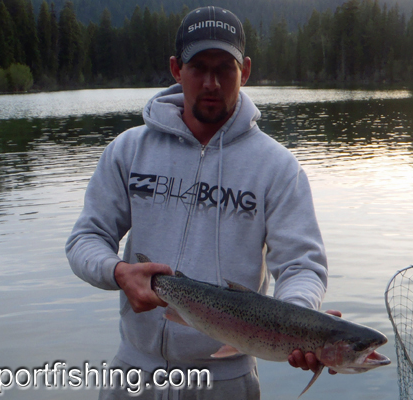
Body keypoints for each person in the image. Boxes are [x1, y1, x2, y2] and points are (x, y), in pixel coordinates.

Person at [66, 6, 336, 399]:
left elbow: (302, 265)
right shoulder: (129, 150)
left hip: (226, 382)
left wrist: (297, 320)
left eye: (224, 69)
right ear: (177, 69)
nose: (211, 82)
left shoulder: (277, 168)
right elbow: (85, 239)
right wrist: (118, 271)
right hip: (133, 374)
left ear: (244, 71)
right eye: (198, 67)